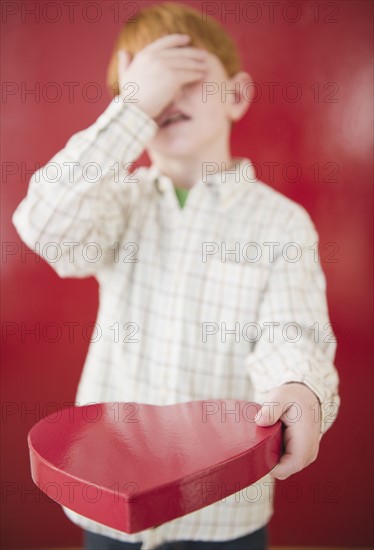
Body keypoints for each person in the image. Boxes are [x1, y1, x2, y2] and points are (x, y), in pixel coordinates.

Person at [12, 2, 340, 549]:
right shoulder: (119, 205)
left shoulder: (280, 222)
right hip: (110, 499)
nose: (167, 99)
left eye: (184, 76)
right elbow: (43, 224)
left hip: (225, 508)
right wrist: (132, 108)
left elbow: (292, 333)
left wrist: (298, 387)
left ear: (235, 95)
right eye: (147, 85)